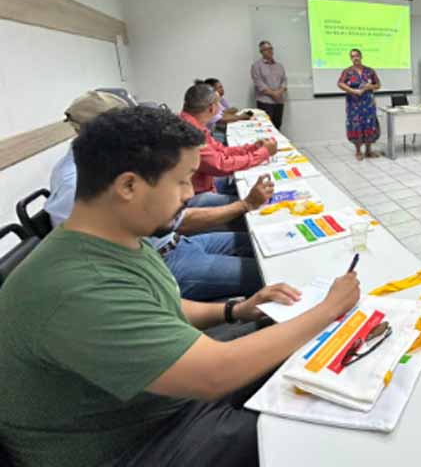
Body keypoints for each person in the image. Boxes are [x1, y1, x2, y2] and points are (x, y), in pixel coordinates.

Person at [0, 106, 361, 467]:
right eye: (182, 180)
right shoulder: (78, 288)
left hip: (153, 404)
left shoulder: (114, 237)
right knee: (312, 436)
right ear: (128, 186)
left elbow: (160, 304)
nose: (190, 193)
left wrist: (235, 309)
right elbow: (215, 374)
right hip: (132, 443)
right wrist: (328, 309)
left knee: (302, 345)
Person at [45, 91, 272, 300]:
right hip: (162, 261)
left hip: (175, 243)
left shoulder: (106, 162)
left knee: (258, 241)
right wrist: (245, 205)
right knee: (266, 273)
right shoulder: (77, 183)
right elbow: (172, 219)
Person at [179, 83, 276, 208]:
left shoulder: (191, 123)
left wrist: (252, 148)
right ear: (211, 108)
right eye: (218, 104)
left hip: (204, 184)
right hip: (193, 197)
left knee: (243, 183)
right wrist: (263, 154)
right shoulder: (190, 132)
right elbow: (221, 165)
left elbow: (221, 150)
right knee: (259, 203)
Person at [337, 48, 382, 160]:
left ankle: (368, 151)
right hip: (354, 104)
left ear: (361, 56)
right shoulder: (347, 71)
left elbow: (378, 85)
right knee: (356, 125)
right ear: (350, 59)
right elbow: (340, 83)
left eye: (357, 55)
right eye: (352, 56)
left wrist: (369, 86)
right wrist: (353, 91)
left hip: (368, 103)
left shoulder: (370, 71)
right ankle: (358, 151)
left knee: (369, 125)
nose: (355, 58)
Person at [201, 78, 254, 142]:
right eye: (219, 87)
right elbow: (221, 119)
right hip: (211, 134)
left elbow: (225, 112)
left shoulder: (219, 99)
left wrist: (227, 114)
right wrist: (241, 117)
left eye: (221, 87)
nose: (222, 89)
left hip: (213, 132)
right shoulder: (207, 105)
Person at [251, 40, 287, 129]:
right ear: (261, 52)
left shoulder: (279, 66)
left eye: (271, 48)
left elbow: (284, 81)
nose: (270, 51)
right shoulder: (256, 66)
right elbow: (259, 83)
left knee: (277, 126)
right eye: (266, 49)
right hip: (265, 102)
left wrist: (280, 92)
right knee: (266, 128)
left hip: (279, 102)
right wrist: (274, 94)